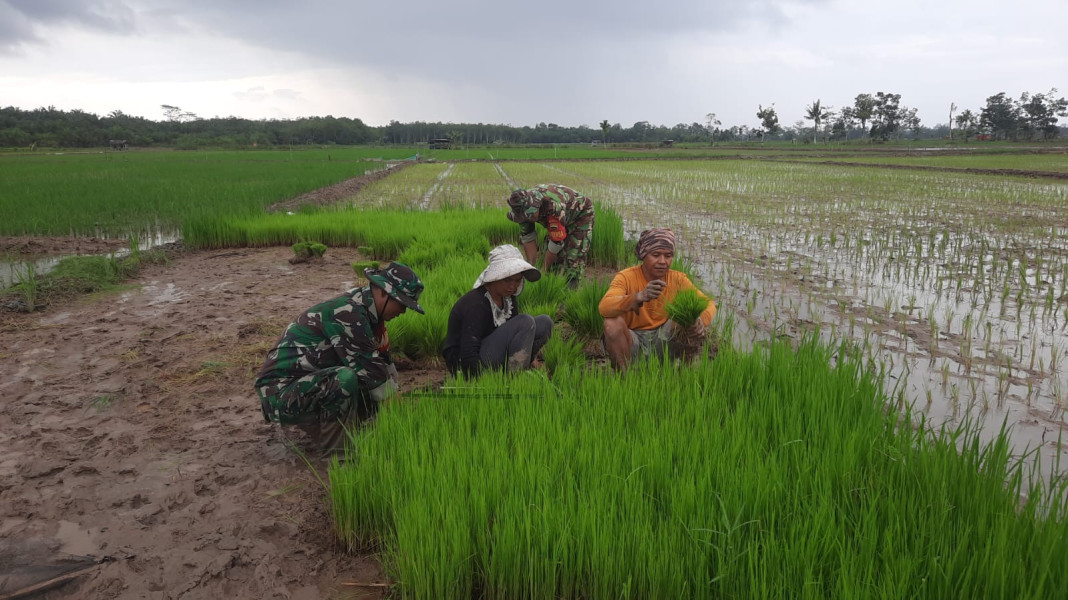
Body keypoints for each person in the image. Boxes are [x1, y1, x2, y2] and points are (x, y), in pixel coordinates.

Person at [254, 262, 425, 456]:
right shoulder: (349, 314)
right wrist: (413, 426)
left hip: (308, 383)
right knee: (345, 378)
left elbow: (384, 368)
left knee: (366, 386)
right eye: (402, 303)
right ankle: (337, 454)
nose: (403, 312)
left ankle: (342, 429)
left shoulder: (371, 314)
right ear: (384, 292)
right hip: (280, 394)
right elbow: (376, 380)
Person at [599, 228, 716, 370]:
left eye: (668, 256)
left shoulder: (678, 279)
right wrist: (637, 297)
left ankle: (683, 373)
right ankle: (624, 378)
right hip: (632, 342)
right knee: (612, 323)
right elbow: (604, 307)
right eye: (655, 255)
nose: (662, 261)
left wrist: (700, 320)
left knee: (688, 318)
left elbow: (708, 303)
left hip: (664, 341)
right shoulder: (626, 277)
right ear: (644, 255)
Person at [443, 244, 554, 377]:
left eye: (517, 280)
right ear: (494, 278)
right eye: (507, 280)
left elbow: (517, 335)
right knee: (525, 322)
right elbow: (468, 350)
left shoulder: (508, 299)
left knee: (545, 322)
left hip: (491, 351)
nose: (513, 286)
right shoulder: (476, 304)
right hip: (465, 362)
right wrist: (476, 382)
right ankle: (515, 378)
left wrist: (532, 360)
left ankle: (521, 367)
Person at [505, 183, 595, 286]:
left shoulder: (553, 207)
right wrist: (531, 268)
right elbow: (528, 238)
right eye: (527, 217)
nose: (529, 219)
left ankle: (571, 290)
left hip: (580, 215)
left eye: (531, 215)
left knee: (573, 256)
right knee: (555, 260)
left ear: (536, 205)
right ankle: (552, 283)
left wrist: (542, 271)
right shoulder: (521, 211)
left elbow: (555, 244)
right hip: (560, 216)